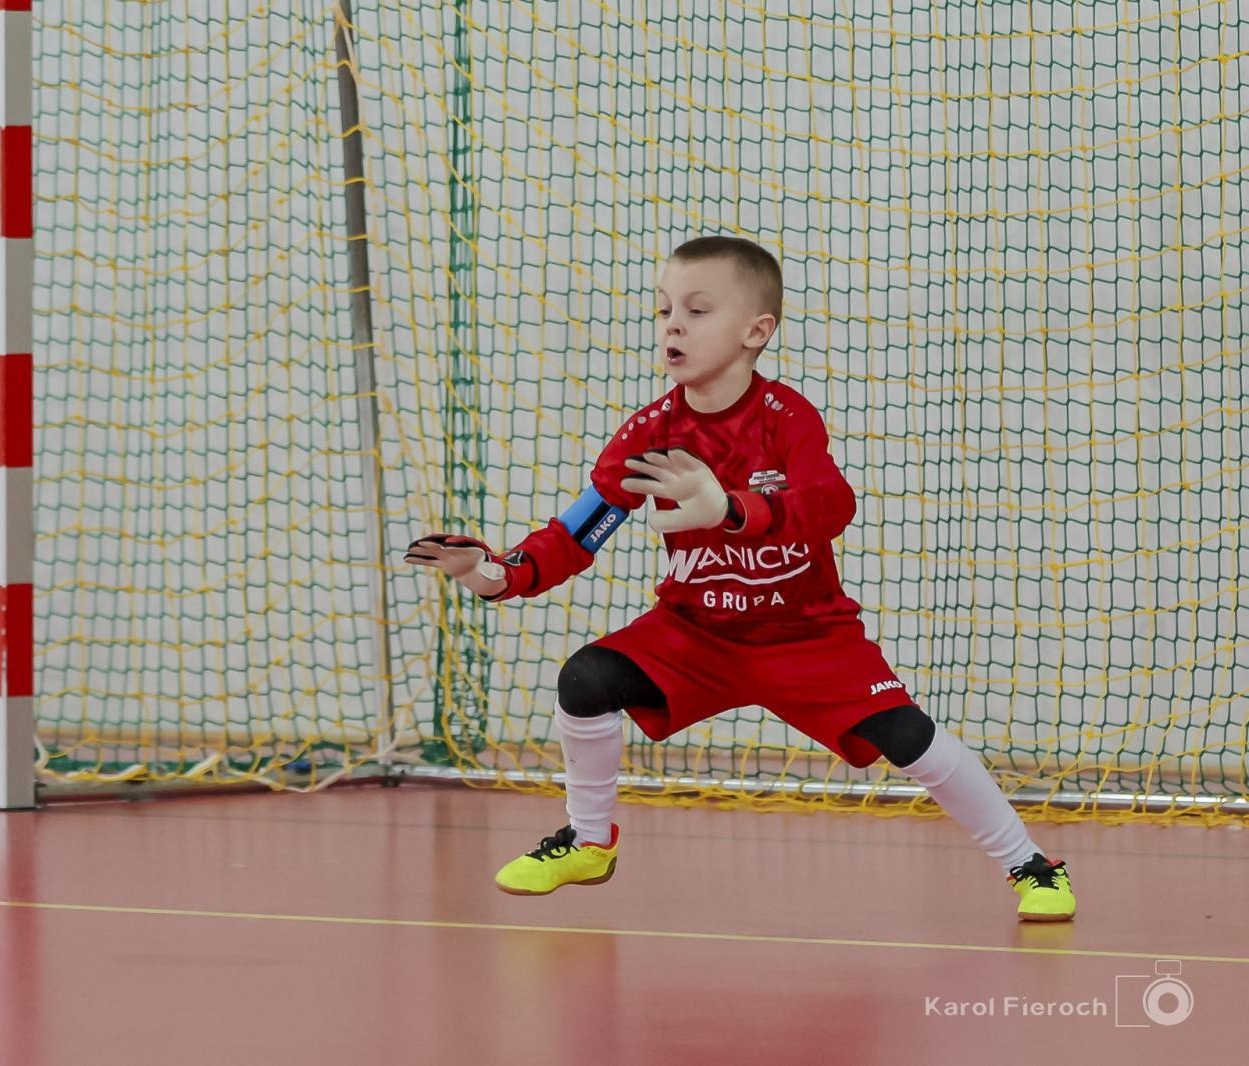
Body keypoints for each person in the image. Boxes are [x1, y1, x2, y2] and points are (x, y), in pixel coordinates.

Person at [404, 235, 1077, 922]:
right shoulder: (648, 434)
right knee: (587, 679)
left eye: (697, 310)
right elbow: (575, 537)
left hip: (806, 637)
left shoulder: (787, 418)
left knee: (908, 737)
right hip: (696, 633)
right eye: (665, 309)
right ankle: (588, 839)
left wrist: (731, 510)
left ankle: (1033, 866)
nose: (673, 324)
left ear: (757, 331)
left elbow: (830, 506)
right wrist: (489, 572)